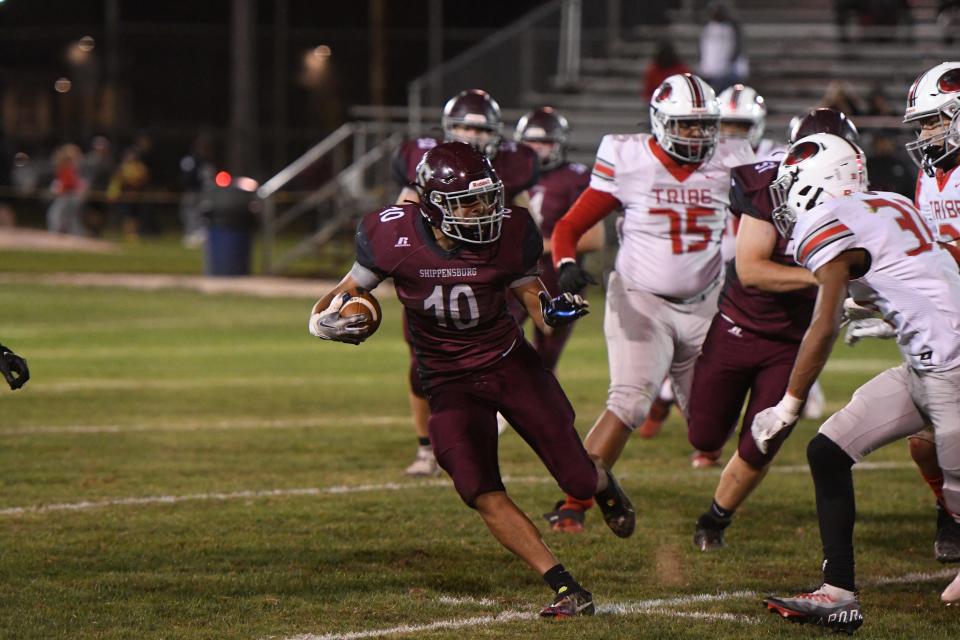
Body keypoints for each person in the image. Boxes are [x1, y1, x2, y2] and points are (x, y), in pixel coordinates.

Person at [307, 141, 635, 617]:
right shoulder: (390, 233)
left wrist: (553, 309)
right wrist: (323, 323)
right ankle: (566, 587)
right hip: (448, 380)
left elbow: (531, 297)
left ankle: (603, 485)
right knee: (478, 487)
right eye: (466, 201)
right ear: (432, 204)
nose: (482, 210)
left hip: (508, 365)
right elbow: (348, 291)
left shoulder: (512, 230)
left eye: (486, 197)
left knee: (578, 479)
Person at [751, 133, 960, 630]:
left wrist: (789, 404)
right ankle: (838, 593)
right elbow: (928, 269)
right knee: (828, 451)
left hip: (952, 367)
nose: (785, 199)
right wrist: (890, 311)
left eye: (790, 186)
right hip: (930, 362)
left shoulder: (826, 222)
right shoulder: (888, 201)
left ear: (814, 183)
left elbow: (820, 326)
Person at [543, 73, 755, 533]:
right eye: (686, 125)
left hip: (706, 303)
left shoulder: (734, 158)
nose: (698, 136)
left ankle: (600, 483)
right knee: (630, 401)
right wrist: (564, 265)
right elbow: (568, 226)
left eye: (705, 126)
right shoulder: (628, 156)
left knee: (711, 434)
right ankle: (576, 501)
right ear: (660, 123)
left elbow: (759, 221)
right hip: (641, 297)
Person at [687, 109, 860, 551]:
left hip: (795, 342)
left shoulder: (858, 197)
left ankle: (715, 518)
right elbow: (752, 271)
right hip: (739, 326)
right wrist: (824, 280)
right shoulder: (764, 186)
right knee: (703, 435)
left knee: (763, 439)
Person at [392, 89, 539, 477]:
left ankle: (475, 444)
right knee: (421, 366)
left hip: (487, 280)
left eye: (479, 129)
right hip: (436, 276)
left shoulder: (512, 164)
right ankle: (426, 448)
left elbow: (524, 224)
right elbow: (402, 219)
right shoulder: (427, 163)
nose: (470, 136)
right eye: (461, 127)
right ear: (446, 129)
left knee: (494, 364)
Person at [901, 61, 960, 564]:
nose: (924, 134)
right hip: (948, 323)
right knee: (923, 443)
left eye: (933, 121)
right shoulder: (930, 175)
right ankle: (949, 511)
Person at [510, 106, 602, 373]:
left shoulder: (575, 177)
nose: (538, 148)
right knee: (497, 341)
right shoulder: (508, 173)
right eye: (531, 141)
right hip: (514, 272)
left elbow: (594, 239)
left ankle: (528, 408)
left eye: (545, 141)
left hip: (557, 274)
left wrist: (538, 246)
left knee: (546, 357)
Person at [697, 2, 744, 94]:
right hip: (708, 69)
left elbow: (737, 48)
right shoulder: (707, 27)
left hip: (726, 71)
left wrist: (730, 64)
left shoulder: (731, 28)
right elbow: (702, 48)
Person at [47, 143, 87, 235]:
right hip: (68, 195)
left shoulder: (72, 168)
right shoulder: (65, 168)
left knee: (56, 215)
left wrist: (59, 188)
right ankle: (76, 234)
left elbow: (71, 184)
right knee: (67, 217)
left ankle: (58, 233)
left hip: (69, 195)